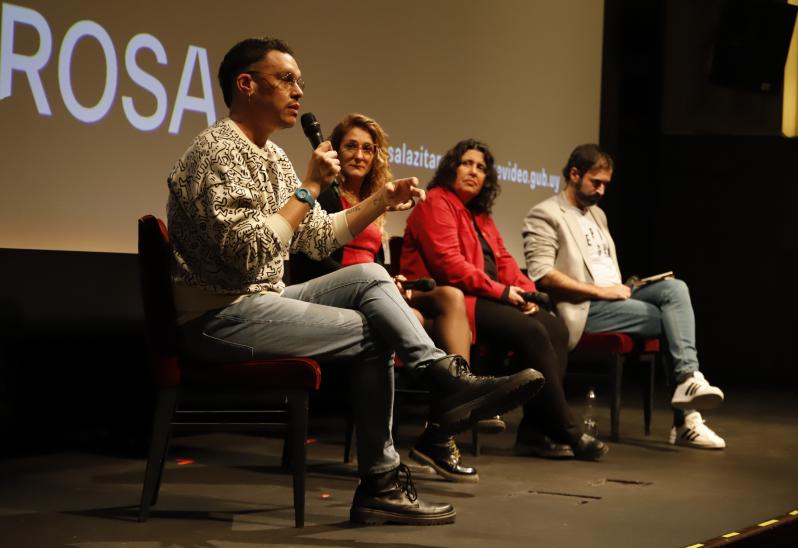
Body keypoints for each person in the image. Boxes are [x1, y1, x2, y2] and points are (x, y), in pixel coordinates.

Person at [165, 38, 546, 526]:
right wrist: (311, 189)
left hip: (260, 301)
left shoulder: (274, 157)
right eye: (286, 79)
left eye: (299, 81)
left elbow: (321, 238)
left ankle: (438, 377)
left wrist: (380, 201)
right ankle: (384, 478)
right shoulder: (216, 151)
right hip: (217, 316)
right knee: (374, 335)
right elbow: (249, 251)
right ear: (246, 84)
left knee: (368, 274)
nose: (298, 91)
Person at [290, 113, 485, 483]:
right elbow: (319, 256)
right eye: (351, 146)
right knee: (410, 317)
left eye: (368, 148)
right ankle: (444, 419)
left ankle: (455, 394)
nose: (360, 155)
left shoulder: (371, 201)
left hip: (371, 287)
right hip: (331, 290)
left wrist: (389, 278)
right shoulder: (323, 193)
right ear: (333, 149)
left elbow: (372, 261)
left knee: (450, 297)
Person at [401, 139, 608, 460]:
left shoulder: (480, 216)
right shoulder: (436, 202)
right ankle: (567, 429)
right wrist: (502, 292)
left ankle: (534, 433)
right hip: (449, 299)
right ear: (452, 168)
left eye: (481, 168)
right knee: (532, 332)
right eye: (467, 163)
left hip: (483, 296)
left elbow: (506, 263)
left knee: (554, 327)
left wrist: (527, 293)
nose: (474, 171)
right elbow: (449, 266)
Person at [522, 143, 726, 449]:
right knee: (668, 319)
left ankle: (687, 380)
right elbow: (543, 275)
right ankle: (686, 420)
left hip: (617, 295)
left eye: (606, 184)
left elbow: (602, 267)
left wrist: (624, 286)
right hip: (586, 306)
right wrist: (601, 291)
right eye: (596, 182)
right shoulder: (545, 213)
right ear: (574, 174)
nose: (602, 191)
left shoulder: (598, 216)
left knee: (675, 288)